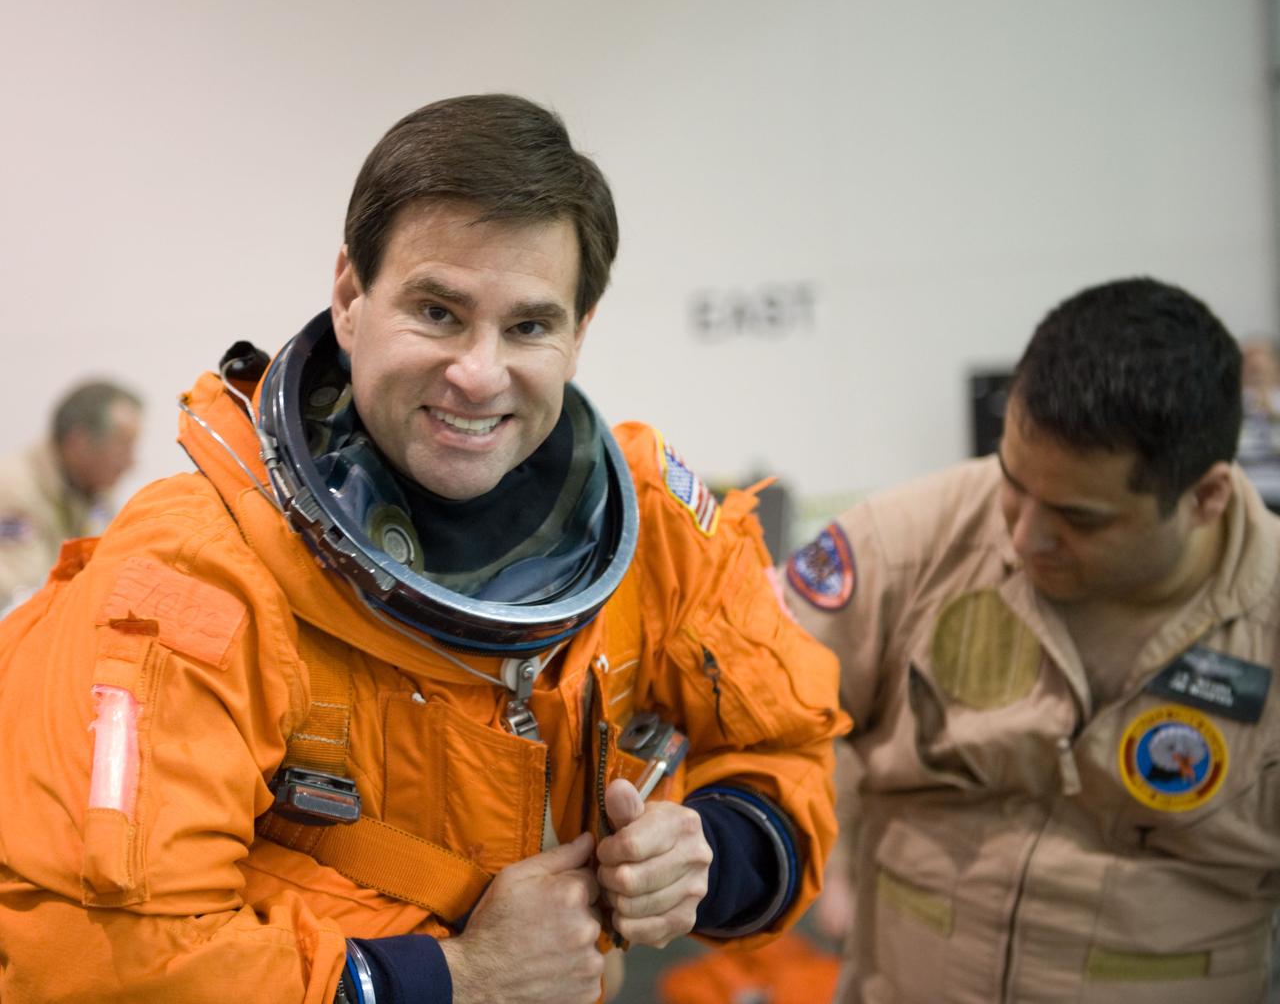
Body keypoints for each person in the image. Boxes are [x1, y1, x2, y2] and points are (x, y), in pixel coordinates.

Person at [0, 94, 846, 1004]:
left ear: (579, 331)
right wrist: (449, 978)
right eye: (438, 311)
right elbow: (87, 960)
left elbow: (785, 745)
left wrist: (707, 856)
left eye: (529, 325)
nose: (479, 374)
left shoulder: (652, 527)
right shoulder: (195, 575)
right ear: (351, 296)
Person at [785, 277, 1279, 1003]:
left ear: (1204, 497)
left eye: (1080, 517)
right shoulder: (912, 542)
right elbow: (757, 699)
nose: (1021, 536)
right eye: (1013, 482)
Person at [0, 379, 142, 611]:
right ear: (80, 442)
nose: (130, 463)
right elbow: (19, 600)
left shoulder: (96, 494)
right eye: (122, 447)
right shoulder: (11, 489)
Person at [1237, 334, 1280, 511]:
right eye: (1250, 366)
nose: (1255, 371)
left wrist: (1273, 414)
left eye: (1260, 367)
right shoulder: (1231, 404)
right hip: (1245, 497)